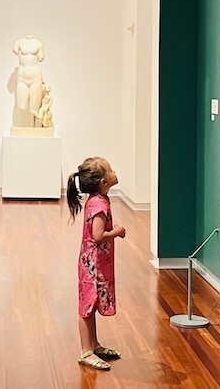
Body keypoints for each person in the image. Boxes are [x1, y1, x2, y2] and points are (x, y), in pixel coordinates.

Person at [67, 157, 126, 371]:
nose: (114, 171)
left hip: (95, 263)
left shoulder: (97, 200)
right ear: (104, 181)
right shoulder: (99, 203)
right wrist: (117, 233)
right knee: (87, 307)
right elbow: (98, 235)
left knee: (90, 306)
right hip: (92, 266)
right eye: (111, 170)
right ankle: (86, 351)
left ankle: (93, 345)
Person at [12, 35, 45, 118]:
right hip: (22, 77)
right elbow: (15, 51)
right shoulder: (19, 42)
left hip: (35, 77)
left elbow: (41, 58)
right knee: (21, 105)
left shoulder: (39, 44)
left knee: (34, 110)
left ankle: (36, 124)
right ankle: (24, 127)